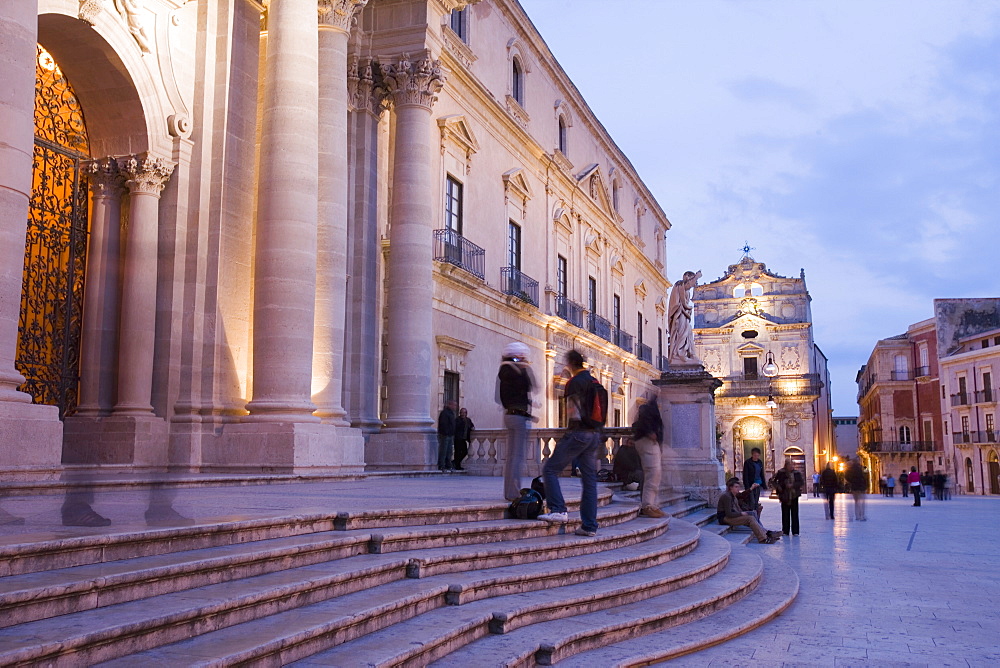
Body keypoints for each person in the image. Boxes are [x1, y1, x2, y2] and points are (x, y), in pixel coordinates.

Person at [538, 350, 602, 537]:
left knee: (550, 469)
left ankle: (558, 509)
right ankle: (589, 526)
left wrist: (570, 433)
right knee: (589, 481)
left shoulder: (575, 382)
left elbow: (573, 411)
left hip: (579, 433)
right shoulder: (593, 381)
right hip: (594, 435)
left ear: (571, 363)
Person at [498, 342, 535, 501]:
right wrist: (525, 368)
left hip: (509, 415)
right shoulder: (517, 372)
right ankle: (513, 493)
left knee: (512, 457)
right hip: (519, 416)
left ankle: (510, 492)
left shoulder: (503, 371)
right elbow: (532, 385)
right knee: (517, 457)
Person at [717, 477, 781, 544]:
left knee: (752, 514)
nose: (738, 489)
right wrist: (742, 514)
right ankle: (763, 538)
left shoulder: (733, 495)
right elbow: (728, 514)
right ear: (731, 488)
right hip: (724, 518)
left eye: (738, 487)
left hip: (731, 515)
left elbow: (741, 497)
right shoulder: (727, 497)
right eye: (736, 487)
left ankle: (766, 533)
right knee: (750, 518)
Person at [631, 397, 665, 518]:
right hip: (647, 442)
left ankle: (651, 504)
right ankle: (647, 505)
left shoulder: (651, 407)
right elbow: (643, 423)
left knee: (655, 474)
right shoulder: (650, 409)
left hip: (648, 442)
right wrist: (650, 432)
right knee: (653, 473)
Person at [667, 270, 702, 364]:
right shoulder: (679, 284)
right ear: (688, 278)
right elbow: (683, 300)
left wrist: (688, 310)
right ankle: (679, 353)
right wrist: (696, 277)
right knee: (682, 334)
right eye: (693, 280)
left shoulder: (688, 291)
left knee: (688, 333)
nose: (695, 283)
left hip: (684, 314)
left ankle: (689, 353)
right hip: (679, 314)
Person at [773, 458, 803, 536]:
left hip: (794, 495)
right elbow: (773, 481)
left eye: (792, 464)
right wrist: (779, 488)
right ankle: (785, 530)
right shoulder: (781, 472)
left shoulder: (797, 473)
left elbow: (801, 482)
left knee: (795, 513)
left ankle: (795, 531)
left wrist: (793, 485)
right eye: (790, 464)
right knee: (785, 513)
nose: (791, 466)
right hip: (784, 495)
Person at [742, 447, 767, 515]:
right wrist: (747, 487)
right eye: (755, 455)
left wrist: (764, 485)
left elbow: (761, 474)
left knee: (756, 501)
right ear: (752, 455)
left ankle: (756, 515)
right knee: (751, 501)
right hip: (750, 484)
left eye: (758, 455)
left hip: (758, 483)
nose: (756, 457)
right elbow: (745, 475)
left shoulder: (759, 462)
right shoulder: (747, 463)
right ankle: (751, 515)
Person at [844, 456, 867, 521]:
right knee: (862, 502)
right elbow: (866, 474)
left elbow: (846, 476)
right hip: (861, 487)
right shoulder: (862, 467)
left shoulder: (850, 469)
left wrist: (851, 482)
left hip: (854, 487)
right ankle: (861, 515)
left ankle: (857, 516)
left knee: (856, 502)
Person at [436, 400, 457, 471]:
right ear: (449, 405)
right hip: (445, 435)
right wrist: (446, 432)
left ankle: (448, 465)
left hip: (450, 435)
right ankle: (442, 465)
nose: (455, 407)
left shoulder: (451, 413)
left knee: (449, 451)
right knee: (444, 451)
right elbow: (443, 424)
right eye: (454, 405)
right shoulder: (445, 413)